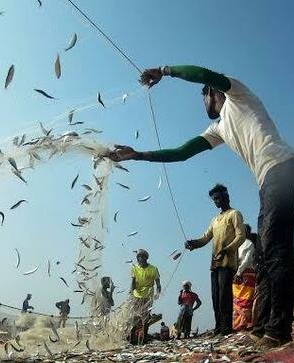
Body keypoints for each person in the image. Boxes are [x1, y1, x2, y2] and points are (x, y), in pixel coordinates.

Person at [108, 64, 294, 348]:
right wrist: (137, 155)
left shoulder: (238, 95)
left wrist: (165, 70)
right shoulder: (218, 129)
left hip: (281, 170)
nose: (202, 103)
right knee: (267, 255)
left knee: (275, 251)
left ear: (211, 92)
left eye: (202, 96)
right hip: (270, 181)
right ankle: (264, 325)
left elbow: (204, 74)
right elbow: (182, 152)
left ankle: (277, 330)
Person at [184, 184, 245, 336]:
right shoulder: (215, 220)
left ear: (226, 197)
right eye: (214, 199)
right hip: (215, 263)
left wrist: (228, 249)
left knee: (225, 296)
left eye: (218, 198)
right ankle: (218, 327)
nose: (216, 201)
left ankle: (226, 329)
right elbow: (205, 238)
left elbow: (241, 236)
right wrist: (194, 243)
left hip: (228, 263)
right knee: (215, 297)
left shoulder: (234, 214)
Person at [233, 224, 256, 331]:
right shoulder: (237, 245)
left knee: (246, 301)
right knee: (237, 300)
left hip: (246, 274)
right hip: (238, 276)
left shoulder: (249, 244)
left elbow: (246, 261)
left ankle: (246, 323)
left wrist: (238, 272)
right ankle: (238, 324)